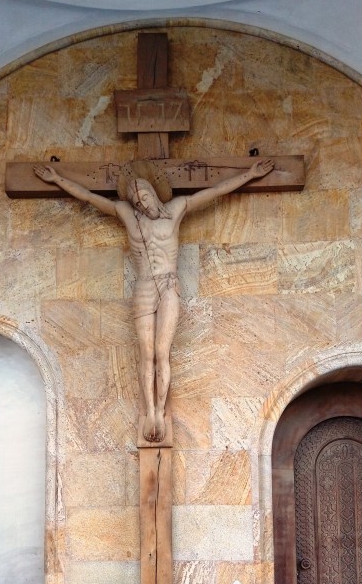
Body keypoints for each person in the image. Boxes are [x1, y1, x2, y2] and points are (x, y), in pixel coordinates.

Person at [34, 157, 274, 442]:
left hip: (169, 286)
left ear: (153, 192)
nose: (141, 203)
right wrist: (57, 180)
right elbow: (89, 197)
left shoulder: (176, 209)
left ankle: (161, 409)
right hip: (144, 288)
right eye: (136, 200)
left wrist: (249, 174)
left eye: (144, 196)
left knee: (162, 352)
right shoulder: (125, 213)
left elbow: (215, 192)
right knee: (146, 354)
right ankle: (150, 411)